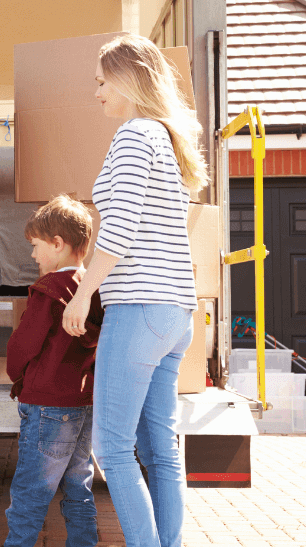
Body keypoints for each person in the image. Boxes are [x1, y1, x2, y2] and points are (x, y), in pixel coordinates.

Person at [61, 34, 210, 547]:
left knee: (113, 446)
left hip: (140, 309)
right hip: (175, 313)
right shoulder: (164, 140)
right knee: (160, 449)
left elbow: (119, 230)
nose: (98, 93)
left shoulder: (132, 137)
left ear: (127, 80)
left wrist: (84, 294)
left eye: (102, 82)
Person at [4, 194, 103, 547]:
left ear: (58, 244)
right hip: (83, 404)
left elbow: (24, 345)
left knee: (30, 494)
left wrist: (14, 371)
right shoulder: (92, 288)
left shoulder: (48, 291)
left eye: (35, 246)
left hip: (47, 405)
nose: (32, 255)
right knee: (79, 488)